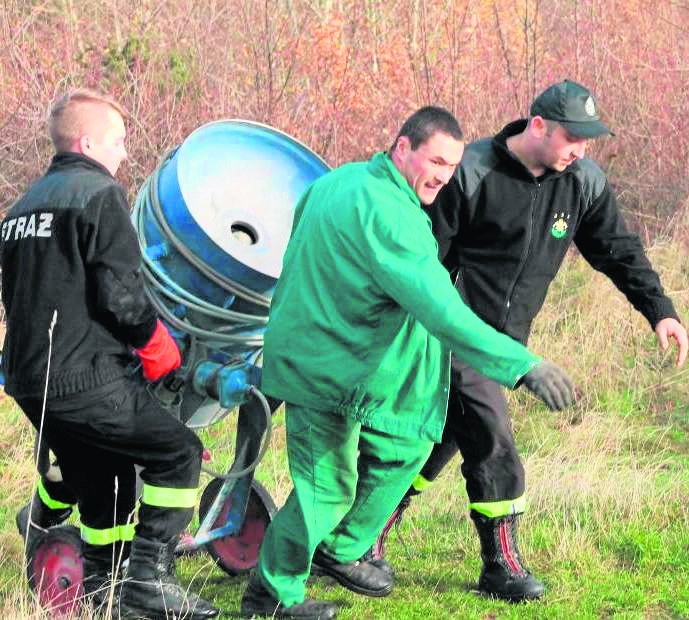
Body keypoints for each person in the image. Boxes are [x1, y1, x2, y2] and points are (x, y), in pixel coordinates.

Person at [239, 106, 576, 619]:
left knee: (407, 444)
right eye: (435, 160)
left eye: (452, 166)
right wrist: (522, 365)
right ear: (402, 148)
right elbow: (442, 310)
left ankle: (342, 548)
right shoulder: (391, 217)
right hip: (319, 366)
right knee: (325, 489)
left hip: (353, 360)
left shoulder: (340, 180)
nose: (442, 175)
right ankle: (271, 595)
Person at [372, 80, 688, 602]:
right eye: (572, 138)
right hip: (451, 335)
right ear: (537, 125)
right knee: (494, 440)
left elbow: (618, 250)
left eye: (588, 140)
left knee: (436, 444)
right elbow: (422, 264)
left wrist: (660, 311)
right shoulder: (470, 172)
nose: (581, 150)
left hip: (508, 343)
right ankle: (502, 567)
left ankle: (360, 538)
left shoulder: (581, 181)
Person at [1, 88, 218, 619]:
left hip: (32, 379)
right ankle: (149, 579)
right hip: (84, 376)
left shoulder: (21, 207)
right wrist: (156, 345)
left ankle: (105, 586)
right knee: (177, 453)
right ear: (88, 141)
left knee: (107, 479)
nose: (124, 154)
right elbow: (120, 292)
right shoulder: (99, 194)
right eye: (119, 142)